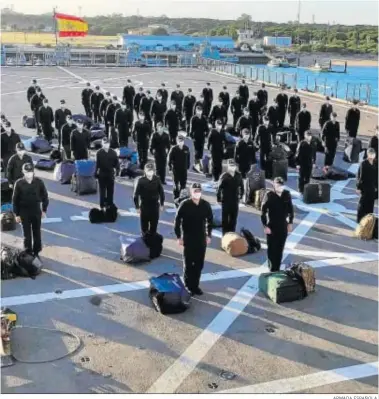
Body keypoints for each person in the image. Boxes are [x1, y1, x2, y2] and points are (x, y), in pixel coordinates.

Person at [174, 183, 213, 295]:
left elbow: (210, 220)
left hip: (201, 239)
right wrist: (178, 236)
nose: (197, 193)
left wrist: (208, 235)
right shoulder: (185, 204)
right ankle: (188, 286)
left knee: (199, 264)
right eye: (195, 191)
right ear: (191, 192)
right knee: (188, 264)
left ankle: (195, 286)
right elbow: (177, 220)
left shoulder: (205, 205)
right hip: (188, 238)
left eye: (199, 191)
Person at [12, 163, 49, 258]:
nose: (29, 174)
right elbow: (15, 200)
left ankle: (36, 252)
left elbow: (45, 196)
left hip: (36, 210)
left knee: (37, 233)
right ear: (23, 172)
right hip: (24, 211)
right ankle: (28, 253)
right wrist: (16, 214)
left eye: (30, 172)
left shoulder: (39, 182)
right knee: (27, 235)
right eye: (26, 172)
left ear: (33, 172)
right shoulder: (19, 183)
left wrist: (44, 210)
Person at [261, 177, 294, 272]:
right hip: (271, 225)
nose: (280, 187)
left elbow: (291, 209)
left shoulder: (286, 194)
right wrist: (265, 226)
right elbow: (263, 211)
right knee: (272, 249)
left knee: (280, 248)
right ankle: (271, 268)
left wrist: (290, 222)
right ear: (274, 185)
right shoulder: (269, 195)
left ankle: (277, 268)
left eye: (281, 185)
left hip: (283, 225)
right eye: (278, 185)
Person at [133, 163, 165, 235]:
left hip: (155, 206)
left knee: (154, 228)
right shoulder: (141, 180)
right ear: (145, 171)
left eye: (151, 170)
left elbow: (161, 192)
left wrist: (162, 204)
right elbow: (136, 195)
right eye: (148, 170)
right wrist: (137, 207)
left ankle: (152, 243)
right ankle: (145, 242)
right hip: (144, 206)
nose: (150, 172)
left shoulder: (157, 179)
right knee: (144, 228)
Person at [217, 159, 244, 235]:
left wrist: (241, 196)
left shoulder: (238, 175)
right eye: (231, 166)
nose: (232, 167)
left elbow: (242, 187)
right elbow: (219, 188)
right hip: (226, 200)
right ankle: (224, 235)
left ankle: (231, 234)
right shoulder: (224, 176)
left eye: (233, 166)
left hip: (235, 200)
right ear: (228, 166)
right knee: (225, 220)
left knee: (233, 219)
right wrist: (218, 198)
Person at [95, 137, 120, 210]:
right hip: (102, 174)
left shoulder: (113, 152)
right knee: (102, 191)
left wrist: (117, 171)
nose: (106, 145)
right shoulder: (99, 153)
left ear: (109, 144)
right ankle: (102, 205)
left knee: (110, 191)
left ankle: (110, 204)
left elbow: (116, 163)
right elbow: (97, 164)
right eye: (104, 143)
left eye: (107, 143)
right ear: (102, 144)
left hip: (110, 174)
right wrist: (95, 173)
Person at [356, 148, 378, 223]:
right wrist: (358, 187)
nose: (372, 155)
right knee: (362, 204)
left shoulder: (376, 163)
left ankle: (368, 221)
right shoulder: (364, 163)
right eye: (370, 153)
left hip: (372, 187)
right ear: (368, 154)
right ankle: (360, 220)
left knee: (370, 205)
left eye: (373, 153)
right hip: (365, 186)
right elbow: (360, 176)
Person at [168, 134, 190, 199]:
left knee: (183, 185)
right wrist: (170, 168)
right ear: (177, 141)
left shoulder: (186, 148)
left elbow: (188, 159)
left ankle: (182, 197)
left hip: (184, 170)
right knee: (176, 185)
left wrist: (187, 167)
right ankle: (176, 197)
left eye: (182, 141)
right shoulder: (174, 149)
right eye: (179, 141)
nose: (181, 142)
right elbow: (169, 159)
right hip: (176, 170)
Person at [190, 106, 209, 170]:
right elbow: (191, 128)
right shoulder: (193, 118)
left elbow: (206, 128)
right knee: (196, 151)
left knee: (201, 151)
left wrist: (206, 135)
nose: (199, 112)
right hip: (196, 137)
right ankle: (196, 164)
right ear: (196, 111)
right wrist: (191, 136)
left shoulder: (203, 118)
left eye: (200, 111)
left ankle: (199, 163)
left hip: (202, 137)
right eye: (198, 110)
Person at [208, 120, 227, 185]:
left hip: (220, 150)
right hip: (214, 150)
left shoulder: (222, 131)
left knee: (219, 164)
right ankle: (214, 177)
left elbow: (224, 140)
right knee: (214, 164)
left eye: (220, 125)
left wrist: (225, 148)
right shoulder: (213, 131)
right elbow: (209, 140)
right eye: (218, 125)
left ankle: (219, 177)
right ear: (216, 125)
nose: (219, 126)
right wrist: (208, 148)